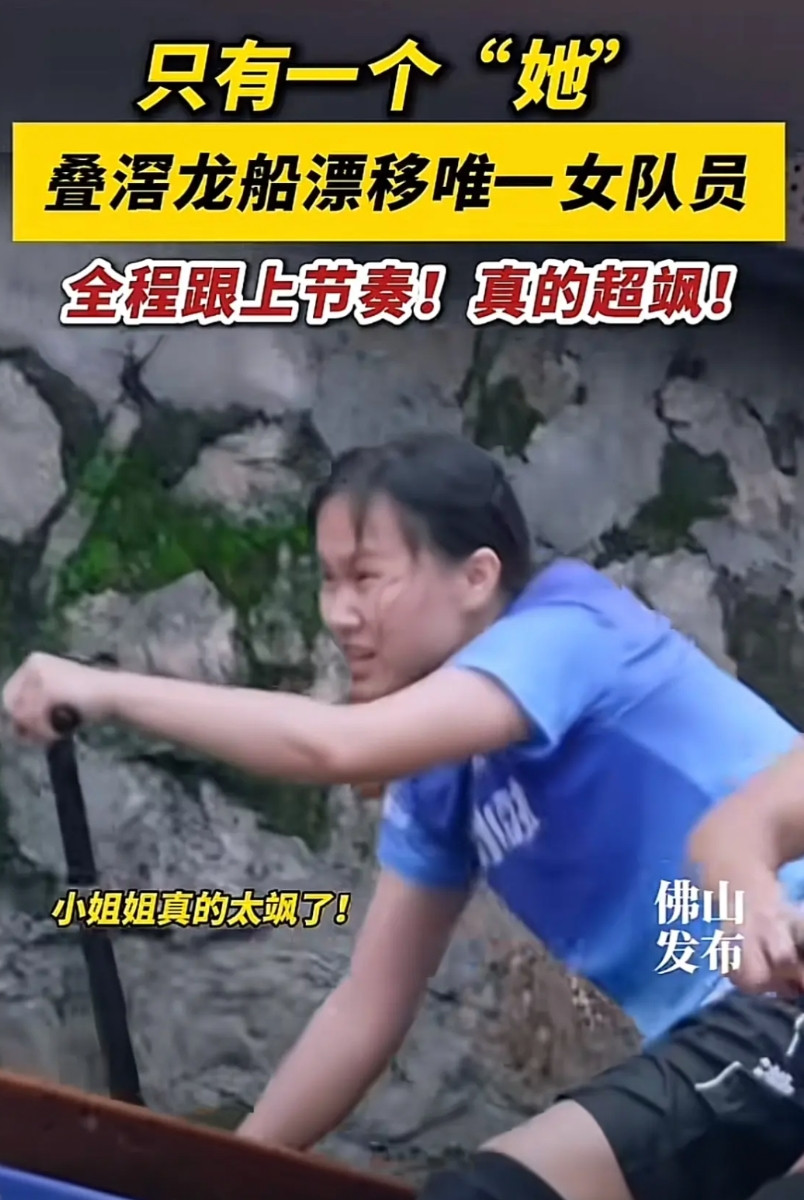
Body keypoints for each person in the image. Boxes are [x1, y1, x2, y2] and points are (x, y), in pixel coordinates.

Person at [4, 430, 804, 1200]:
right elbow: (367, 1008)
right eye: (329, 581)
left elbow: (337, 747)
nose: (340, 613)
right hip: (720, 1045)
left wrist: (107, 690)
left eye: (367, 577)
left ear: (476, 576)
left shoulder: (571, 628)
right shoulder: (441, 779)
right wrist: (218, 1174)